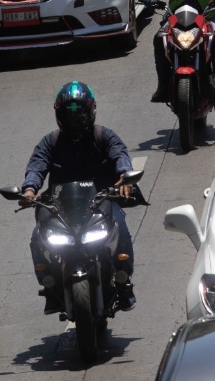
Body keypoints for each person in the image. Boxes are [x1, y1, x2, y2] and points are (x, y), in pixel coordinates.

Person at [22, 82, 137, 313]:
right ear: (59, 115)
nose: (75, 120)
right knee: (37, 237)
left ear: (91, 112)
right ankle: (49, 286)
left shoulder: (105, 137)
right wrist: (29, 190)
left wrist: (125, 177)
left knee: (120, 226)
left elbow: (120, 156)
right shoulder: (50, 142)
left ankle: (124, 282)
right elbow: (36, 166)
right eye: (69, 114)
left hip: (101, 203)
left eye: (80, 113)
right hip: (60, 207)